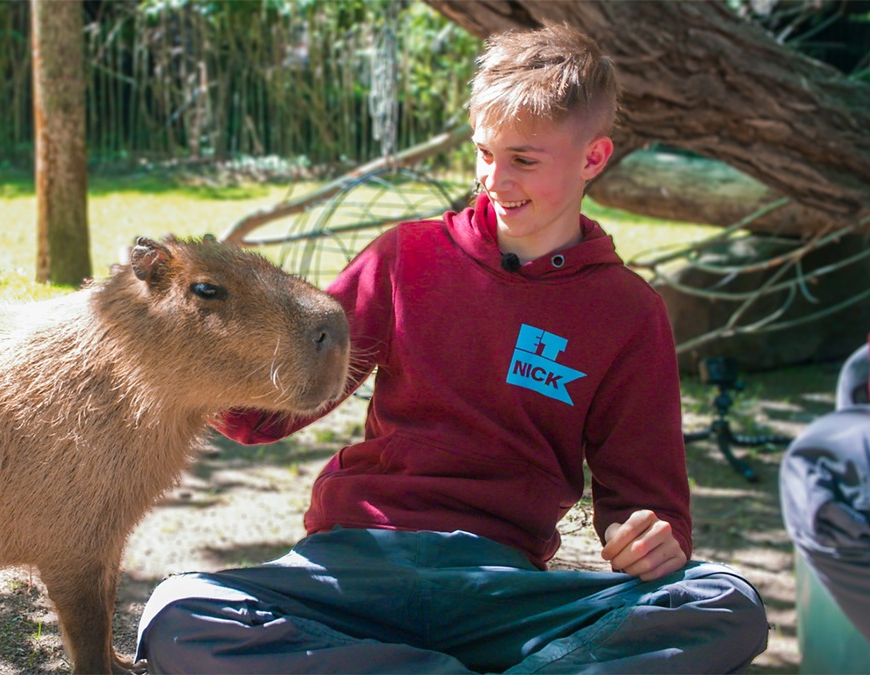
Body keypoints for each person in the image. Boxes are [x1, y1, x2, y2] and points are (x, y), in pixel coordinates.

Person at [136, 23, 769, 673]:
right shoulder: (404, 256)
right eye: (483, 152)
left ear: (593, 157)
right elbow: (262, 414)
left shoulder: (630, 313)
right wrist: (182, 351)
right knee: (180, 609)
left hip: (504, 592)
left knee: (724, 601)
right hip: (355, 567)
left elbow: (648, 505)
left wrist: (650, 538)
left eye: (523, 159)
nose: (494, 179)